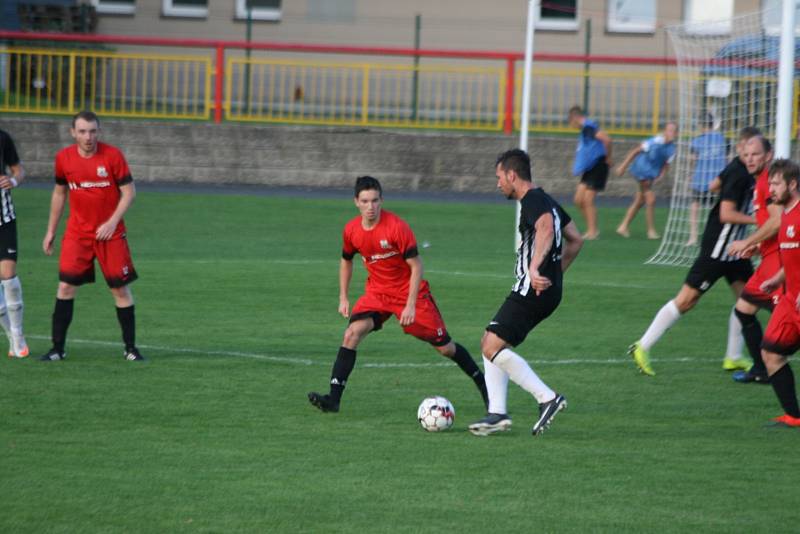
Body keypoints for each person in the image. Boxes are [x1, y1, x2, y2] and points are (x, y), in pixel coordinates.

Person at [308, 176, 488, 413]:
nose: (371, 207)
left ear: (381, 200)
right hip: (378, 292)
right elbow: (346, 261)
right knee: (351, 333)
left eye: (375, 200)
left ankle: (486, 388)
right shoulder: (351, 230)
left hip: (409, 293)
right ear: (356, 202)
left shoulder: (396, 228)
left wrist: (411, 305)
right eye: (365, 201)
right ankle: (333, 399)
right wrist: (343, 296)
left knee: (445, 348)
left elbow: (417, 267)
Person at [627, 127, 763, 376]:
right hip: (718, 249)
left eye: (752, 150)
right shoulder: (739, 174)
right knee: (687, 300)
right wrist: (759, 221)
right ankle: (642, 345)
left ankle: (733, 356)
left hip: (734, 249)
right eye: (745, 149)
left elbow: (713, 185)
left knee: (747, 301)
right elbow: (726, 214)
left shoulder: (737, 167)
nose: (748, 154)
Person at [468, 149, 583, 437]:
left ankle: (547, 398)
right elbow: (576, 240)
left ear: (512, 175)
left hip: (530, 289)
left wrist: (534, 270)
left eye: (499, 177)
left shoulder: (532, 200)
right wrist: (554, 276)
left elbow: (545, 228)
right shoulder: (548, 200)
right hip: (544, 290)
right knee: (489, 340)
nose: (498, 184)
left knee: (491, 345)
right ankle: (497, 413)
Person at [40, 110, 143, 362]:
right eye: (83, 131)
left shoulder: (112, 156)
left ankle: (130, 348)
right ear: (73, 132)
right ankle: (57, 349)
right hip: (78, 234)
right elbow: (59, 194)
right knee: (65, 287)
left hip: (111, 234)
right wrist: (51, 230)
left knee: (120, 290)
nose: (88, 137)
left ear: (99, 131)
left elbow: (129, 193)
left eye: (93, 131)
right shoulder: (64, 158)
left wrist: (111, 222)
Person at [726, 137, 778, 384]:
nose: (749, 159)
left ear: (768, 155)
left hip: (780, 264)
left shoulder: (770, 182)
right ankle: (761, 368)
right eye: (746, 154)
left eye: (755, 154)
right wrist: (757, 246)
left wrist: (747, 242)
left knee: (787, 318)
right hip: (769, 260)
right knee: (744, 309)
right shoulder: (760, 184)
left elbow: (778, 220)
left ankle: (766, 366)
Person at [758, 159, 800, 427]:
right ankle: (794, 416)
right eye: (769, 183)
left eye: (775, 183)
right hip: (790, 301)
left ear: (792, 184)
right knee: (771, 353)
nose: (770, 189)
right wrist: (776, 279)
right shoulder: (785, 214)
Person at [615, 122, 678, 239]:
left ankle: (623, 227)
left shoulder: (672, 149)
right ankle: (651, 231)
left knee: (640, 201)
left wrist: (662, 175)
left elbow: (666, 164)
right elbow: (635, 151)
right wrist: (622, 166)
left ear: (677, 133)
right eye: (669, 130)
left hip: (650, 174)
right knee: (651, 199)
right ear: (665, 131)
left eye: (673, 131)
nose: (671, 133)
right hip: (640, 169)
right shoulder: (654, 141)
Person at [0, 128, 29, 358]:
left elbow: (19, 171)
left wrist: (12, 180)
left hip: (4, 217)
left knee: (8, 275)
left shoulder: (3, 137)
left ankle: (18, 335)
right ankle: (11, 335)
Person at [568, 106, 612, 240]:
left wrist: (608, 157)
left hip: (598, 165)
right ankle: (591, 229)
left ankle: (593, 232)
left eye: (570, 121)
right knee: (578, 200)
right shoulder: (585, 129)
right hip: (590, 167)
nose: (570, 124)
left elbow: (607, 139)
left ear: (574, 118)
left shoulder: (588, 127)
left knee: (587, 200)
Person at [687, 115, 728, 246]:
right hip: (719, 179)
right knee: (718, 207)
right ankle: (718, 235)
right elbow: (729, 158)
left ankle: (693, 237)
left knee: (694, 206)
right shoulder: (722, 139)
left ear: (701, 125)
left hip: (701, 179)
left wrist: (690, 175)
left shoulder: (697, 141)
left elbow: (692, 160)